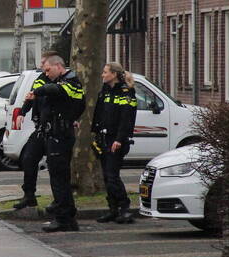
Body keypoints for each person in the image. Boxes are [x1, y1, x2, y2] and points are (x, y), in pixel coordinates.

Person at [23, 55, 85, 233]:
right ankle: (69, 217)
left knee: (59, 180)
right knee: (59, 178)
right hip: (54, 134)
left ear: (58, 66)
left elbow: (57, 91)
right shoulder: (60, 81)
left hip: (61, 135)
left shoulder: (71, 81)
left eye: (48, 70)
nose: (46, 73)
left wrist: (38, 91)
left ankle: (63, 219)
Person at [10, 51, 60, 210]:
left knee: (55, 166)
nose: (42, 67)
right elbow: (31, 97)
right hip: (41, 128)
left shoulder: (62, 82)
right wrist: (23, 112)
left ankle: (58, 200)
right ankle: (29, 196)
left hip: (56, 130)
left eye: (44, 64)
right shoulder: (41, 80)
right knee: (28, 159)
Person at [91, 62, 138, 224]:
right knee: (106, 176)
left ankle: (125, 208)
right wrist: (95, 133)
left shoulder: (126, 92)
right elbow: (99, 113)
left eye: (105, 72)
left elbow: (127, 119)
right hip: (104, 138)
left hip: (116, 140)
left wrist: (119, 139)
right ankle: (112, 209)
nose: (102, 75)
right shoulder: (104, 91)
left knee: (112, 176)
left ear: (114, 74)